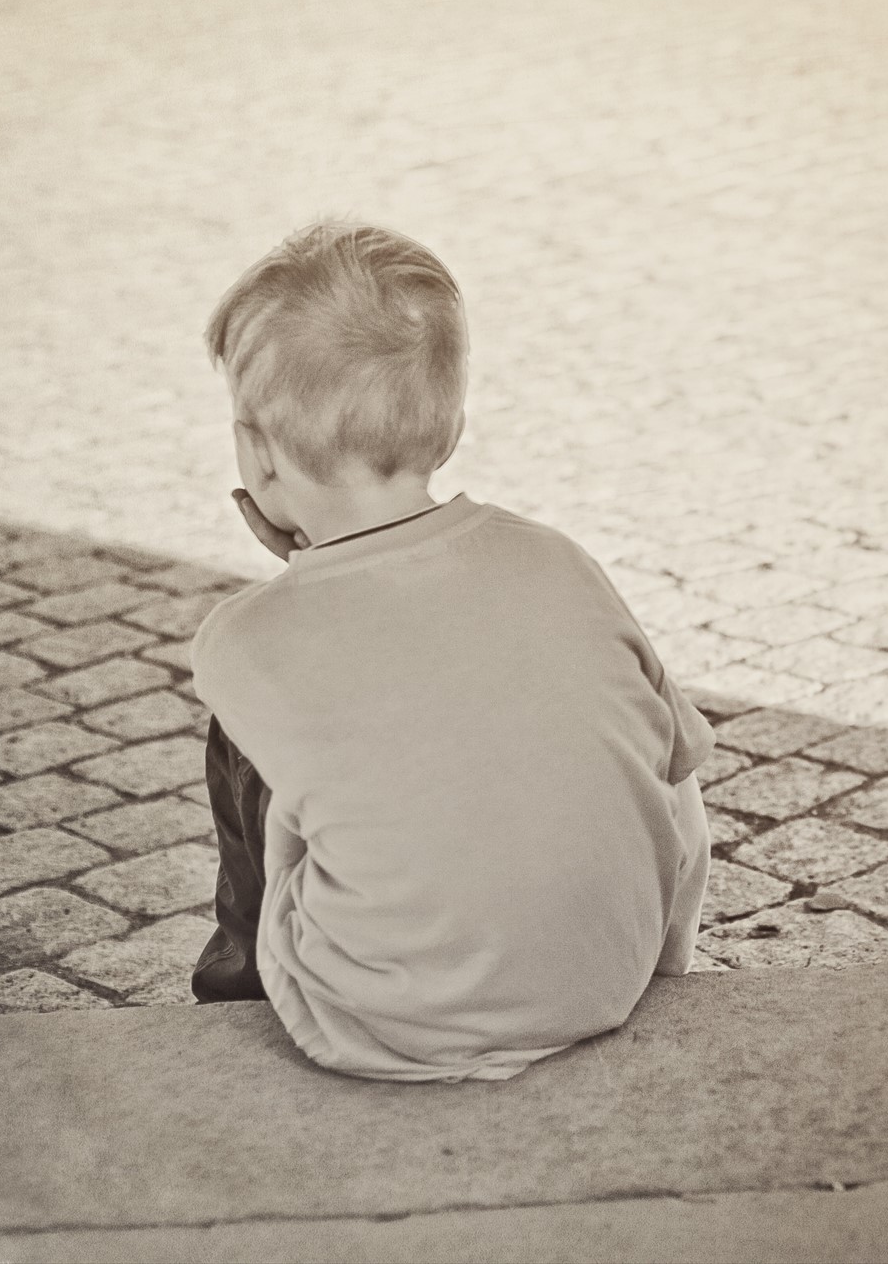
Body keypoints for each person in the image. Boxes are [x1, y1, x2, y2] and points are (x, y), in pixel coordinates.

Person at [187, 221, 712, 1083]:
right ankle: (654, 952)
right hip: (605, 979)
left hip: (382, 1020)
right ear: (453, 425)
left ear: (258, 455)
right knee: (656, 728)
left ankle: (237, 989)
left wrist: (306, 579)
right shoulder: (555, 560)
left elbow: (345, 671)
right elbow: (675, 768)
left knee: (247, 728)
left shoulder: (245, 637)